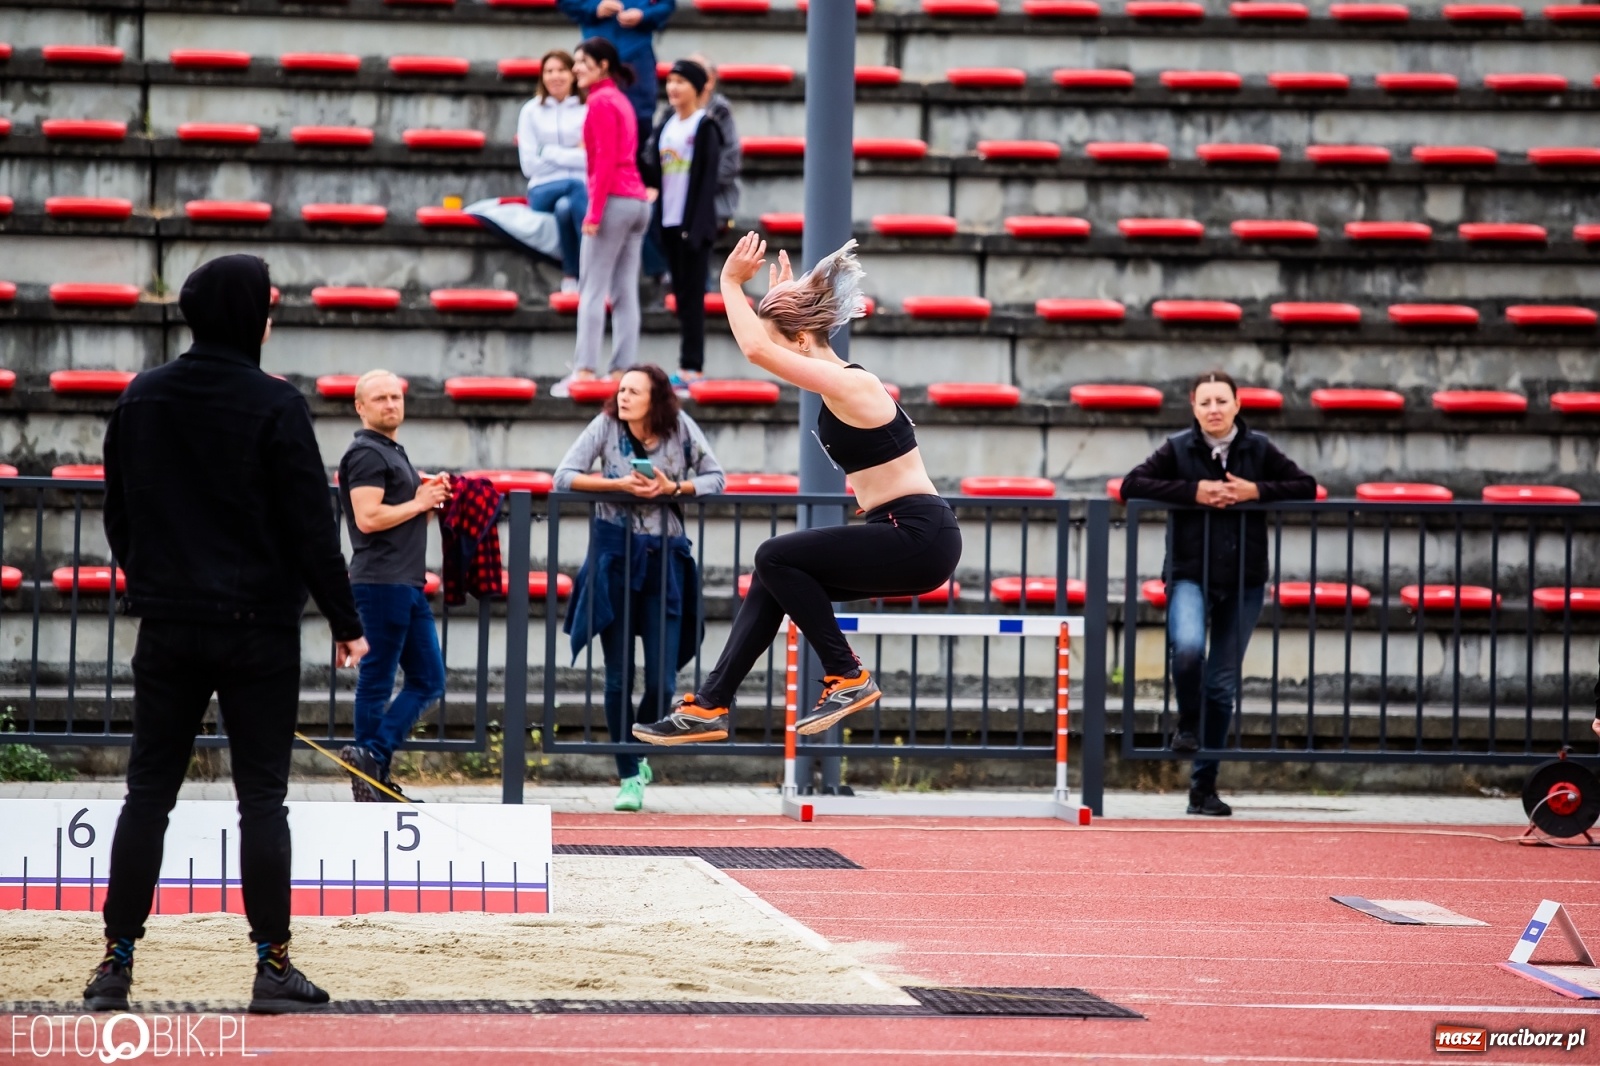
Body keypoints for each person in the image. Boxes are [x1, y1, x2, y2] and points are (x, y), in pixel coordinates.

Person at [90, 254, 367, 1014]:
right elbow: (312, 526)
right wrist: (346, 621)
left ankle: (115, 963)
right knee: (262, 801)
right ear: (249, 317)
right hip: (258, 632)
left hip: (169, 625)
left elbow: (120, 509)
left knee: (147, 796)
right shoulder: (275, 406)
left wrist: (150, 580)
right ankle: (272, 966)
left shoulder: (142, 397)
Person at [633, 236, 962, 747]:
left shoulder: (855, 385)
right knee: (773, 575)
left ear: (804, 339)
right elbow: (775, 343)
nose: (785, 365)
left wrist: (727, 284)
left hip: (918, 533)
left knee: (775, 555)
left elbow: (757, 348)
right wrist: (781, 305)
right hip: (901, 531)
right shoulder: (836, 383)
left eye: (790, 346)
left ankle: (847, 675)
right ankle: (710, 705)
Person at [1120, 370, 1318, 817]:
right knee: (1187, 649)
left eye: (1221, 401)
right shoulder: (1177, 448)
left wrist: (1256, 491)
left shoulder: (1258, 448)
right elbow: (1132, 485)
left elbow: (1306, 486)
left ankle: (1202, 788)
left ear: (1237, 404)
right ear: (1193, 406)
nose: (1213, 409)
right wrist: (1194, 492)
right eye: (1205, 401)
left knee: (1222, 684)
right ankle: (1188, 720)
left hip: (1245, 579)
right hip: (1190, 574)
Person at [555, 364, 724, 810]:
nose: (624, 396)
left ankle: (641, 751)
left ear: (656, 397)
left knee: (662, 678)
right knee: (617, 678)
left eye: (634, 390)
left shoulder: (681, 428)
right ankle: (629, 773)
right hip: (615, 559)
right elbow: (564, 475)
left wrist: (675, 486)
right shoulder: (606, 424)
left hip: (664, 559)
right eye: (622, 389)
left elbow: (716, 478)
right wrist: (617, 485)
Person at [337, 370, 450, 803]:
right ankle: (369, 765)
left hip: (404, 581)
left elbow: (396, 513)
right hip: (381, 581)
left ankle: (372, 761)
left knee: (428, 679)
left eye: (395, 396)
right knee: (379, 679)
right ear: (360, 407)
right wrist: (420, 501)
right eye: (380, 398)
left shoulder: (390, 451)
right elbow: (368, 519)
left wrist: (428, 497)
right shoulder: (366, 453)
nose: (390, 404)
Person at [554, 37, 652, 399]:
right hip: (637, 201)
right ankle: (622, 369)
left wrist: (593, 213)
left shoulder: (599, 102)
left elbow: (604, 161)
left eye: (583, 62)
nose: (576, 67)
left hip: (614, 200)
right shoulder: (620, 100)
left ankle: (584, 370)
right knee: (625, 292)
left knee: (592, 289)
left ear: (603, 66)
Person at [642, 59, 726, 391]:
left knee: (693, 299)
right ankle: (686, 364)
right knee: (681, 296)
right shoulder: (666, 124)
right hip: (669, 222)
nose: (673, 88)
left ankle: (692, 367)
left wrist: (695, 226)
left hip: (693, 226)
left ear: (696, 87)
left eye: (681, 81)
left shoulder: (705, 126)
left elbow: (707, 182)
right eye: (670, 81)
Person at [518, 50, 588, 294]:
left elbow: (593, 161)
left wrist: (547, 151)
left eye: (561, 70)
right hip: (541, 189)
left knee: (565, 208)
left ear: (572, 74)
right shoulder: (530, 111)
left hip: (578, 192)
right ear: (542, 77)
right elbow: (529, 166)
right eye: (549, 71)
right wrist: (573, 153)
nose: (555, 76)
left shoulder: (587, 109)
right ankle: (593, 268)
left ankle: (572, 275)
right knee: (576, 187)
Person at [556, 0, 675, 142]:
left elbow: (667, 5)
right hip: (596, 55)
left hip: (637, 56)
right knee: (596, 120)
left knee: (639, 122)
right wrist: (595, 8)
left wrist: (644, 15)